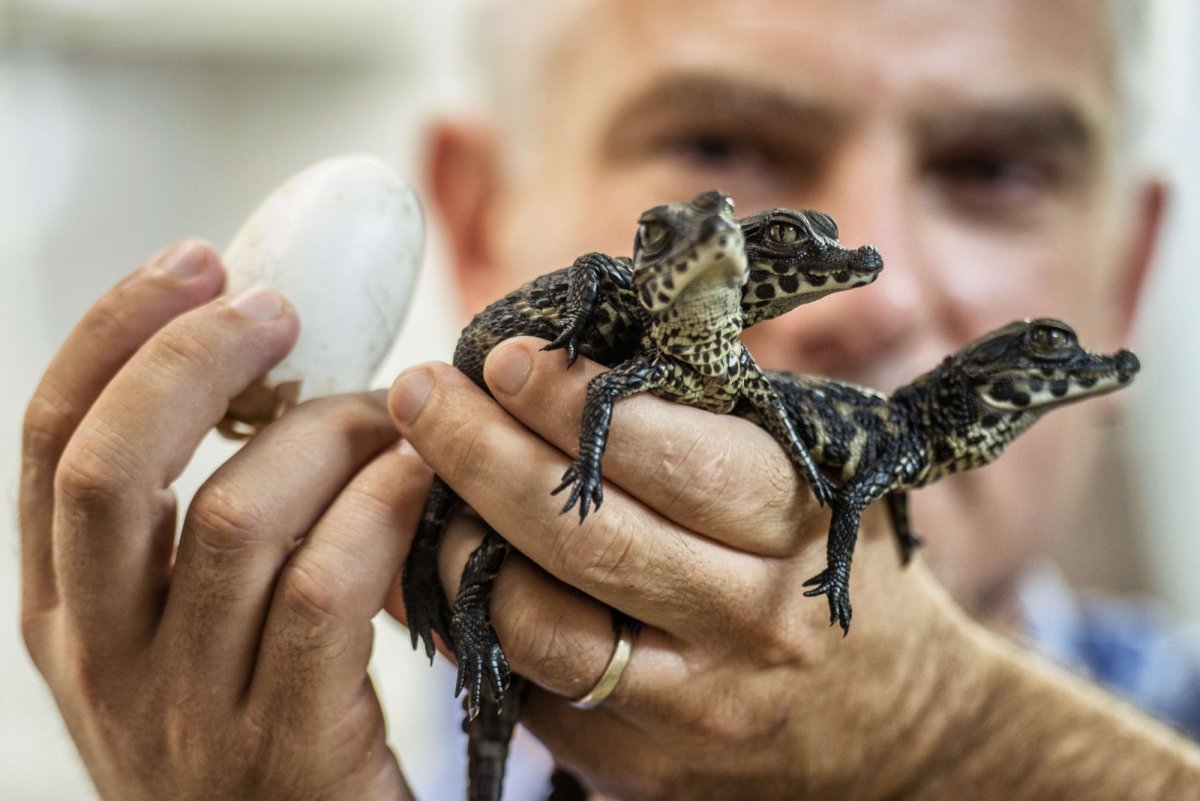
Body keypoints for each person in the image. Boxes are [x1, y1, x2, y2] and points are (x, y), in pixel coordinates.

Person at [17, 0, 1200, 799]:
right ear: (479, 221)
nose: (876, 292)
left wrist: (957, 737)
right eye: (722, 144)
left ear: (1132, 272)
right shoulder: (246, 749)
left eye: (993, 169)